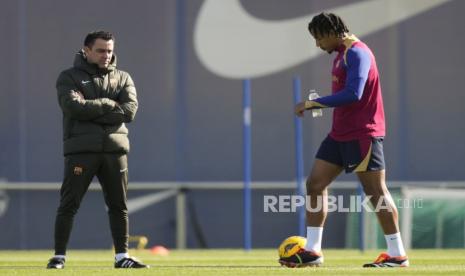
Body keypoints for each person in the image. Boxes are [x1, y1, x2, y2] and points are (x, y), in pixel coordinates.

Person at [279, 13, 408, 268]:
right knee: (315, 184)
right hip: (339, 134)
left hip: (363, 133)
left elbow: (354, 94)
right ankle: (314, 251)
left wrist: (312, 103)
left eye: (318, 38)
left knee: (376, 192)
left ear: (331, 32)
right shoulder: (341, 54)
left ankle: (397, 254)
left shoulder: (358, 53)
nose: (317, 45)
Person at [47, 31, 148, 269]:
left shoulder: (123, 77)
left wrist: (91, 107)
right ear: (87, 50)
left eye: (110, 50)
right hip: (82, 151)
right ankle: (59, 257)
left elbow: (129, 111)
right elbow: (73, 108)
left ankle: (122, 257)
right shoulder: (68, 77)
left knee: (119, 205)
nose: (106, 55)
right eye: (101, 50)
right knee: (69, 204)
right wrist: (108, 104)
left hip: (115, 151)